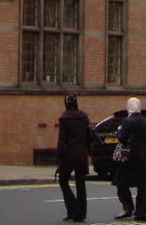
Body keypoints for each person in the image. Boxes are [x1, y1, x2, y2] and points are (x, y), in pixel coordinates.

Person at [56, 94, 95, 222]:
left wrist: (58, 157)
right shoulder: (84, 117)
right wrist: (89, 153)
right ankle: (81, 213)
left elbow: (62, 140)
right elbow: (89, 137)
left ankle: (73, 209)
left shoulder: (64, 118)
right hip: (82, 154)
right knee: (80, 184)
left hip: (69, 154)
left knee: (63, 180)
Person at [113, 97, 146, 221]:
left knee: (121, 182)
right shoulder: (145, 122)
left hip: (129, 156)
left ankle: (127, 207)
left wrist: (119, 132)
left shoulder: (127, 121)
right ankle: (141, 212)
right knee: (142, 185)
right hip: (143, 155)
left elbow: (123, 138)